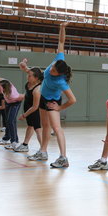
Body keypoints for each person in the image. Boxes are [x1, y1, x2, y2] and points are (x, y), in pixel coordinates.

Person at [27, 21, 76, 168]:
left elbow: (73, 99)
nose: (51, 70)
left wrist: (59, 108)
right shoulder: (59, 60)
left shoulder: (61, 82)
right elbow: (61, 41)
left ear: (59, 74)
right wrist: (61, 28)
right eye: (52, 67)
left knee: (56, 128)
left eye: (54, 70)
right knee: (45, 127)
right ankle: (43, 152)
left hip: (52, 102)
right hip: (43, 98)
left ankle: (63, 158)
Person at [0, 74, 24, 149]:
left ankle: (15, 141)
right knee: (7, 121)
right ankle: (6, 138)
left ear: (4, 89)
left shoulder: (13, 95)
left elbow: (23, 97)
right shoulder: (4, 82)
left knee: (11, 121)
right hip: (9, 102)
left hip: (16, 103)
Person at [14, 61, 43, 153]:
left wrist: (24, 115)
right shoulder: (29, 83)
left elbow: (35, 107)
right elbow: (29, 71)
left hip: (34, 111)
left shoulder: (37, 90)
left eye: (30, 76)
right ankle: (25, 145)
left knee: (38, 129)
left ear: (36, 78)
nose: (28, 76)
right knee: (30, 126)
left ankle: (43, 149)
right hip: (28, 109)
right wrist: (25, 66)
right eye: (28, 75)